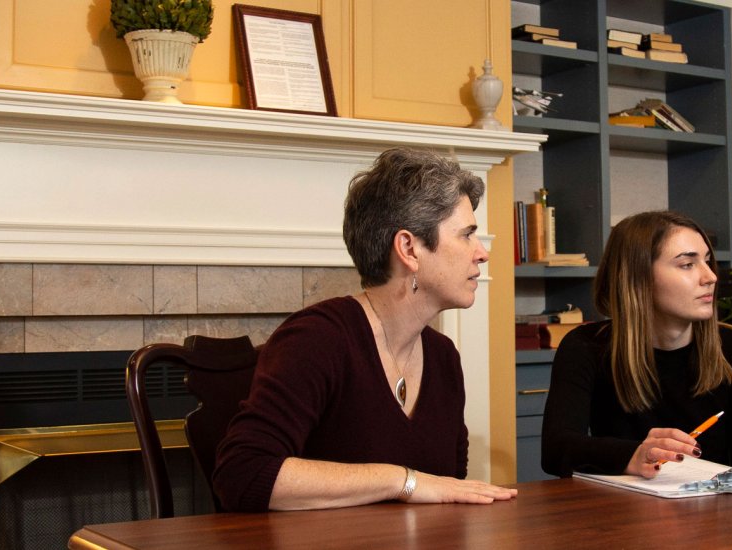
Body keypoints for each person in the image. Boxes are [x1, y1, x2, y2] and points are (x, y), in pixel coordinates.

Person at [213, 148, 518, 511]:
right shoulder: (316, 340)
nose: (482, 253)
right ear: (409, 248)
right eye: (466, 234)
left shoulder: (443, 356)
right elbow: (242, 474)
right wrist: (402, 480)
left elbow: (448, 491)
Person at [541, 210, 732, 479]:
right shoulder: (586, 346)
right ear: (639, 278)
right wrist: (635, 455)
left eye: (708, 262)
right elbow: (556, 450)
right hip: (616, 513)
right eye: (687, 264)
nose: (710, 277)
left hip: (714, 513)